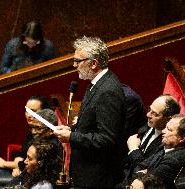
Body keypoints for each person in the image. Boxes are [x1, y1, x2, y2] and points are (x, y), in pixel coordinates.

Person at [54, 36, 127, 188]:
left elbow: (106, 138)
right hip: (87, 173)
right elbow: (91, 125)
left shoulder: (108, 90)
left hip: (98, 177)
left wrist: (72, 137)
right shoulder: (95, 84)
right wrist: (71, 129)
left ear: (93, 63)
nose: (74, 65)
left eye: (78, 61)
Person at [0, 96, 53, 188]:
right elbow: (21, 154)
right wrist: (17, 166)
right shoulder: (33, 129)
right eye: (27, 111)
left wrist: (5, 164)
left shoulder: (48, 137)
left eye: (33, 111)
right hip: (23, 175)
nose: (29, 115)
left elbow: (34, 165)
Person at [125, 95, 180, 182]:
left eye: (155, 114)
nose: (148, 115)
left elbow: (146, 168)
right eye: (149, 109)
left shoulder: (168, 143)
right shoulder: (148, 124)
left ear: (168, 119)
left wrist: (133, 149)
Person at [134, 114, 185, 189]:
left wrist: (144, 173)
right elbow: (142, 165)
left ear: (181, 138)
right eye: (165, 127)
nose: (163, 131)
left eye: (169, 130)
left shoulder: (173, 160)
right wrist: (144, 173)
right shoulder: (166, 145)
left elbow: (146, 184)